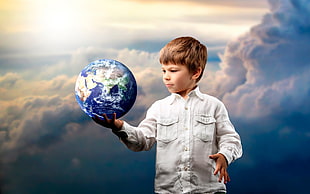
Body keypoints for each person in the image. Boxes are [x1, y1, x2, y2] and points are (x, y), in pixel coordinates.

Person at [93, 36, 242, 194]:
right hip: (168, 191)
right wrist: (118, 126)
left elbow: (231, 139)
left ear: (196, 72)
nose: (166, 76)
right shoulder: (159, 108)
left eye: (173, 70)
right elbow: (142, 141)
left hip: (208, 190)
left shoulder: (214, 106)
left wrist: (224, 155)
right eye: (163, 70)